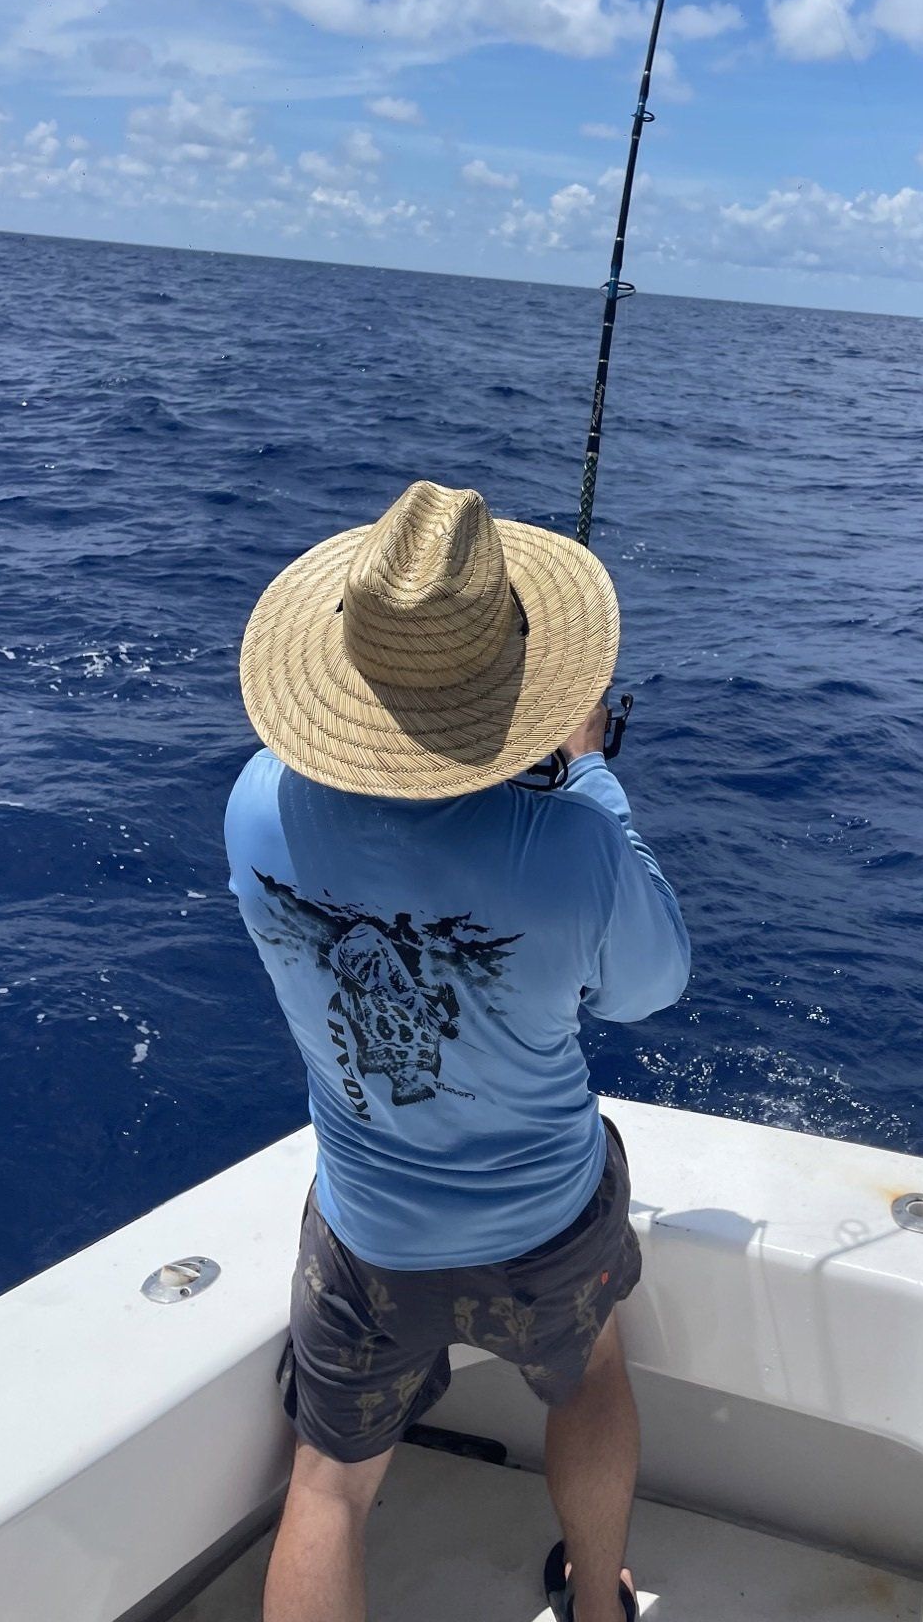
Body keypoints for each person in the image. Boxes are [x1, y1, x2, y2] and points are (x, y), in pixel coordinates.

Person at [225, 478, 691, 1622]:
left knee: (328, 1487)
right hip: (546, 1226)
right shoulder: (572, 843)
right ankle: (595, 1606)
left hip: (369, 1234)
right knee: (589, 1383)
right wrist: (588, 772)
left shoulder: (256, 805)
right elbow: (655, 983)